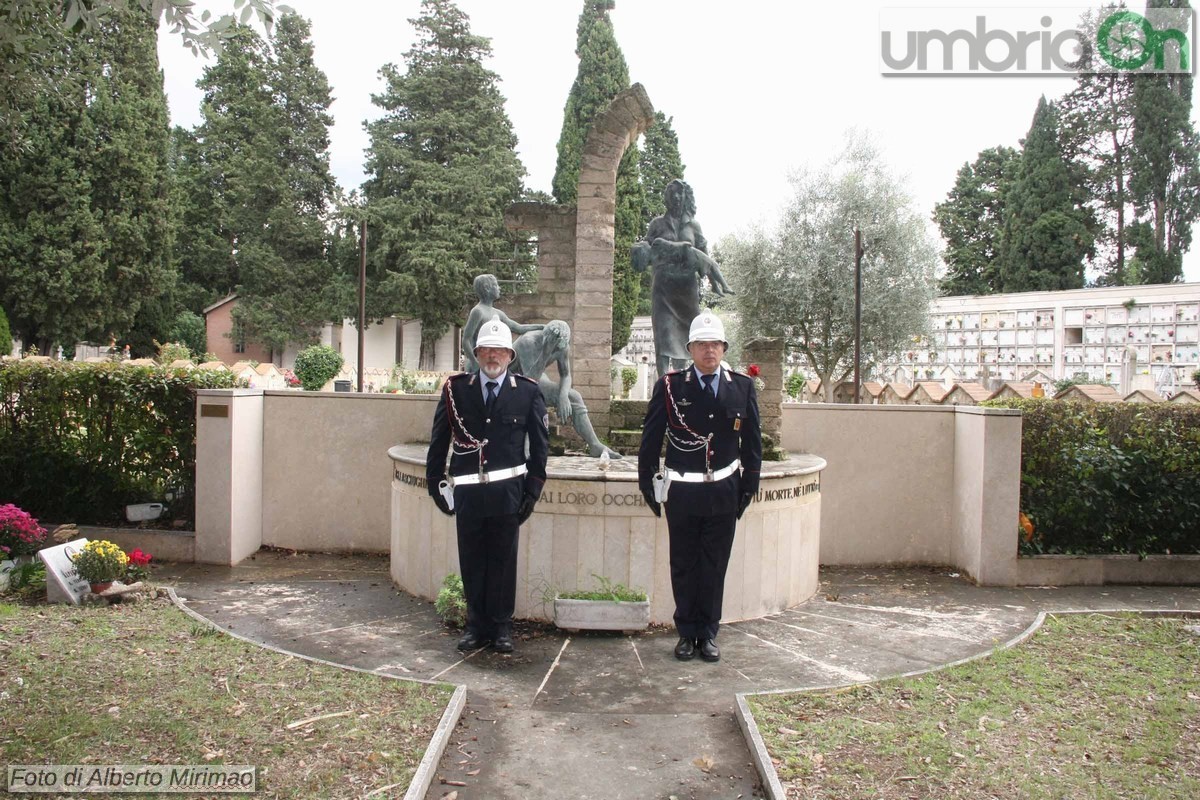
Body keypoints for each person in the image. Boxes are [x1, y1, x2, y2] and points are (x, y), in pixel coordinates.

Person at [637, 312, 762, 663]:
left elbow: (752, 445)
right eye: (702, 344)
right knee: (684, 563)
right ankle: (685, 632)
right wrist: (647, 481)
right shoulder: (671, 386)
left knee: (714, 565)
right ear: (690, 348)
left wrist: (748, 487)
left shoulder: (741, 386)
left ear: (724, 348)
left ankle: (708, 633)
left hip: (723, 489)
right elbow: (651, 439)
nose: (710, 350)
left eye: (716, 344)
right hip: (684, 492)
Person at [426, 316, 549, 654]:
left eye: (499, 351)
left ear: (510, 355)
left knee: (503, 562)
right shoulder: (456, 390)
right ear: (477, 354)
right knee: (472, 560)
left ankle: (501, 628)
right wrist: (435, 482)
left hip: (508, 493)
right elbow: (439, 441)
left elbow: (540, 447)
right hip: (468, 493)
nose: (493, 357)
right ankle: (474, 626)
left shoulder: (527, 392)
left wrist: (533, 491)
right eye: (487, 350)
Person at [631, 179, 735, 378]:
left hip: (686, 290)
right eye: (672, 193)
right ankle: (663, 387)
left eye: (680, 193)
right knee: (664, 336)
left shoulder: (693, 225)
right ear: (667, 198)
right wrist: (641, 249)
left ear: (686, 197)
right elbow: (647, 252)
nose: (676, 197)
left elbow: (704, 255)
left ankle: (682, 385)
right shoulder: (657, 224)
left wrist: (710, 277)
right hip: (663, 288)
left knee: (686, 337)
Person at [512, 320, 621, 459]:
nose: (559, 350)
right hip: (514, 381)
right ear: (546, 338)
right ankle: (524, 446)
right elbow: (529, 381)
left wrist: (563, 397)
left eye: (561, 347)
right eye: (556, 347)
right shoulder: (528, 342)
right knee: (528, 399)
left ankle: (595, 445)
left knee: (573, 397)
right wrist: (546, 351)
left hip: (537, 379)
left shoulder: (562, 345)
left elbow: (566, 374)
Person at [460, 274, 543, 372]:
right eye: (495, 285)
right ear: (487, 288)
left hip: (494, 361)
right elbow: (466, 340)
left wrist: (542, 327)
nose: (499, 288)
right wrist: (474, 362)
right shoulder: (478, 311)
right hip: (479, 362)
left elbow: (519, 328)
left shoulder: (498, 313)